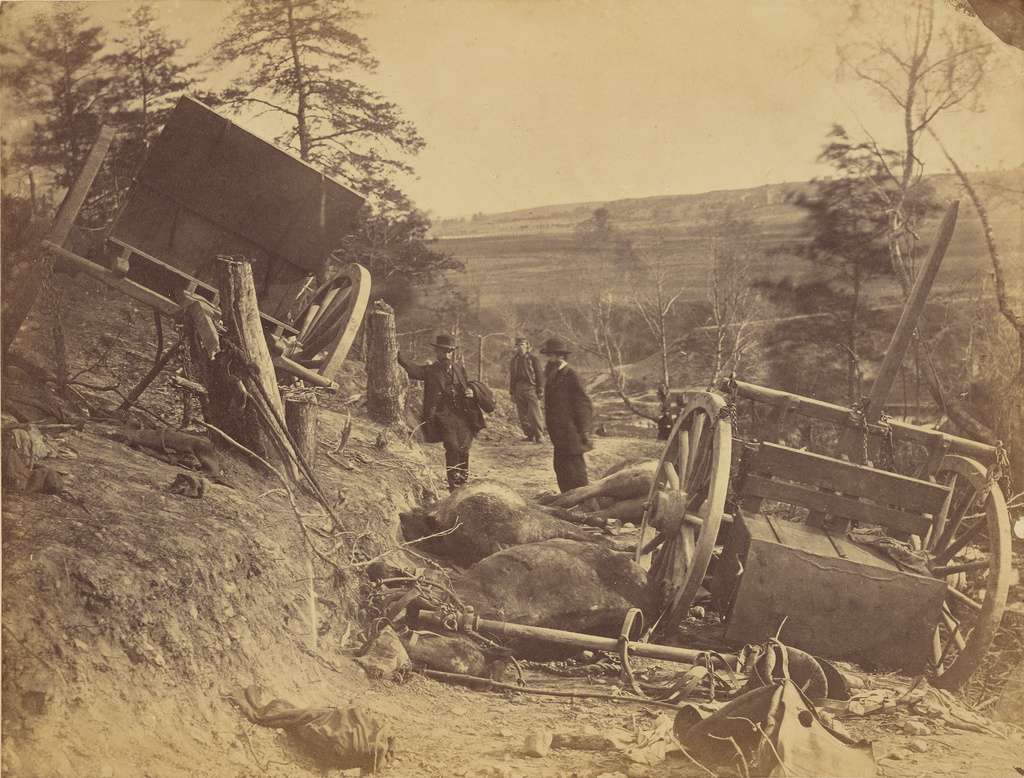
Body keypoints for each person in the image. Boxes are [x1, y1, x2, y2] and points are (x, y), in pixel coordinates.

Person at [398, 333, 480, 492]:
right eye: (443, 351)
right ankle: (453, 485)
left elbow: (467, 385)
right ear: (437, 352)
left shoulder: (459, 369)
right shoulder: (431, 371)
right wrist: (398, 356)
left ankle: (463, 481)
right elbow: (413, 370)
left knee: (464, 447)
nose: (447, 355)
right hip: (443, 415)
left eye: (449, 351)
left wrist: (471, 391)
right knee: (453, 446)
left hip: (461, 414)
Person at [540, 336, 594, 492]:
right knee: (561, 469)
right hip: (558, 434)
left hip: (571, 433)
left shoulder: (571, 375)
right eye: (547, 355)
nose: (548, 360)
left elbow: (584, 404)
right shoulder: (553, 375)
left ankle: (584, 500)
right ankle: (568, 499)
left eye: (550, 356)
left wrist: (584, 430)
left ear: (560, 356)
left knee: (576, 471)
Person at [508, 336, 545, 442]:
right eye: (518, 345)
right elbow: (512, 376)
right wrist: (512, 392)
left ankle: (539, 435)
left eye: (522, 344)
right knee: (522, 413)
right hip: (518, 387)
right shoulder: (514, 360)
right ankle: (529, 435)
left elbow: (539, 374)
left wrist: (540, 389)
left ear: (527, 346)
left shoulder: (533, 358)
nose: (520, 347)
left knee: (535, 412)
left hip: (531, 387)